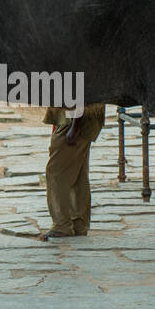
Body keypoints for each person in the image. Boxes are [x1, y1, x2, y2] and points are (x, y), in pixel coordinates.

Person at [40, 103, 107, 240]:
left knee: (56, 173)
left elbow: (79, 92)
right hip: (76, 119)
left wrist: (74, 127)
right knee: (78, 175)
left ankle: (62, 225)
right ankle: (78, 224)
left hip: (73, 121)